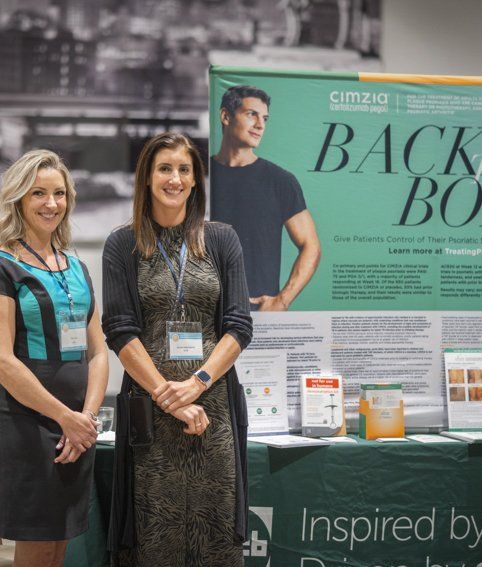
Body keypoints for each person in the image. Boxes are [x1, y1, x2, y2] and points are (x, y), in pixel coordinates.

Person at [102, 132, 253, 565]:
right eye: (164, 168)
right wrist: (168, 396)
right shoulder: (123, 244)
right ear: (147, 178)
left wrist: (197, 383)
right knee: (155, 535)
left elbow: (239, 325)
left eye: (184, 169)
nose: (175, 178)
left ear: (196, 179)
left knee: (217, 532)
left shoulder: (222, 240)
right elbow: (120, 330)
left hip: (215, 408)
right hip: (150, 411)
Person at [0, 149, 108, 567]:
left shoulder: (77, 268)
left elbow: (99, 350)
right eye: (38, 194)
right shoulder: (0, 268)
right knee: (35, 547)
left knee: (60, 547)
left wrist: (85, 419)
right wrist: (64, 417)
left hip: (79, 429)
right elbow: (1, 361)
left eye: (59, 194)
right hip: (28, 426)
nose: (51, 204)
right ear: (18, 199)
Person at [211, 84, 321, 310]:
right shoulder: (199, 175)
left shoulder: (280, 181)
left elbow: (311, 246)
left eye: (265, 118)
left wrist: (282, 300)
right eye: (252, 114)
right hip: (202, 318)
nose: (260, 125)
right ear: (225, 116)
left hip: (257, 319)